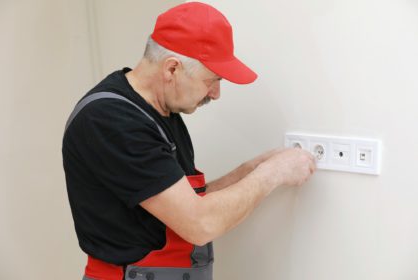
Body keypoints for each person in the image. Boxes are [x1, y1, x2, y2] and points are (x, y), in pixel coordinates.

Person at [62, 2, 316, 280]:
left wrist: (250, 169)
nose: (216, 93)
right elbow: (199, 222)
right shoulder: (111, 120)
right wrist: (273, 174)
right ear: (172, 69)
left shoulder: (161, 112)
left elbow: (185, 200)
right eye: (212, 80)